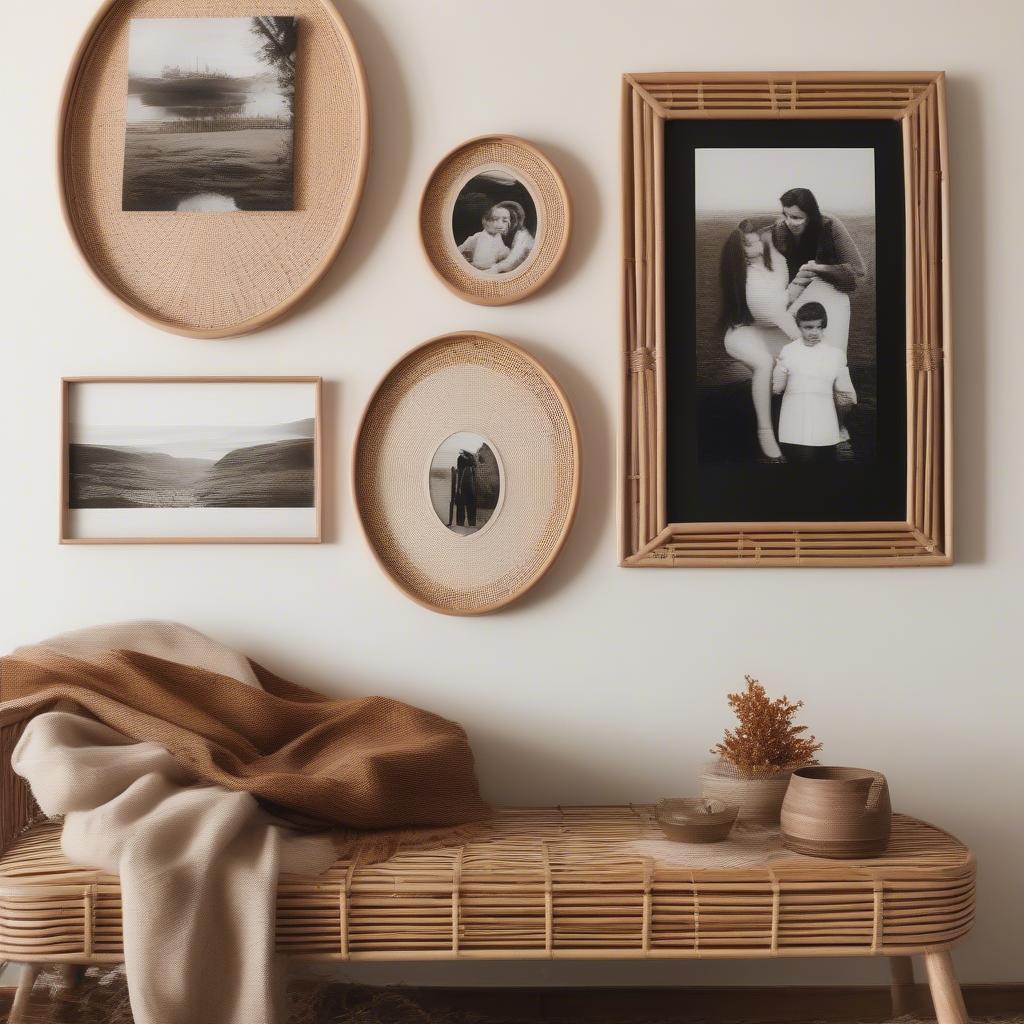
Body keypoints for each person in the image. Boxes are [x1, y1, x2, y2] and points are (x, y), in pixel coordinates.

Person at [719, 218, 805, 461]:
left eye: (756, 238)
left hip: (772, 329)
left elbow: (776, 224)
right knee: (764, 364)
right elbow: (772, 313)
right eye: (748, 243)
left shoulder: (774, 257)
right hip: (743, 334)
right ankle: (764, 431)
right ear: (741, 253)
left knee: (800, 361)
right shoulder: (747, 278)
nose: (757, 243)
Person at [770, 187, 867, 359]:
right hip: (793, 294)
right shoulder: (779, 230)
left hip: (829, 290)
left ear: (811, 216)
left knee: (829, 354)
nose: (789, 222)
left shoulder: (829, 225)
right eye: (786, 215)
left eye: (797, 217)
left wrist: (818, 268)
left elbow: (858, 270)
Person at [772, 302, 857, 463]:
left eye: (819, 327)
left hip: (825, 423)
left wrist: (839, 424)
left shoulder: (835, 354)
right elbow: (776, 388)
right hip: (793, 424)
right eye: (808, 327)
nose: (815, 332)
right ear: (799, 326)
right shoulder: (788, 351)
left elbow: (846, 397)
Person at [488, 200, 535, 274]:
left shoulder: (523, 238)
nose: (498, 224)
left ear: (514, 221)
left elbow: (511, 263)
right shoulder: (502, 233)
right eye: (495, 219)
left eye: (504, 220)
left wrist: (491, 270)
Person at [459, 205, 511, 271]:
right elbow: (459, 253)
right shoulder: (477, 238)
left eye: (504, 221)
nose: (500, 224)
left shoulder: (498, 237)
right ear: (485, 221)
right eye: (495, 219)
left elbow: (502, 253)